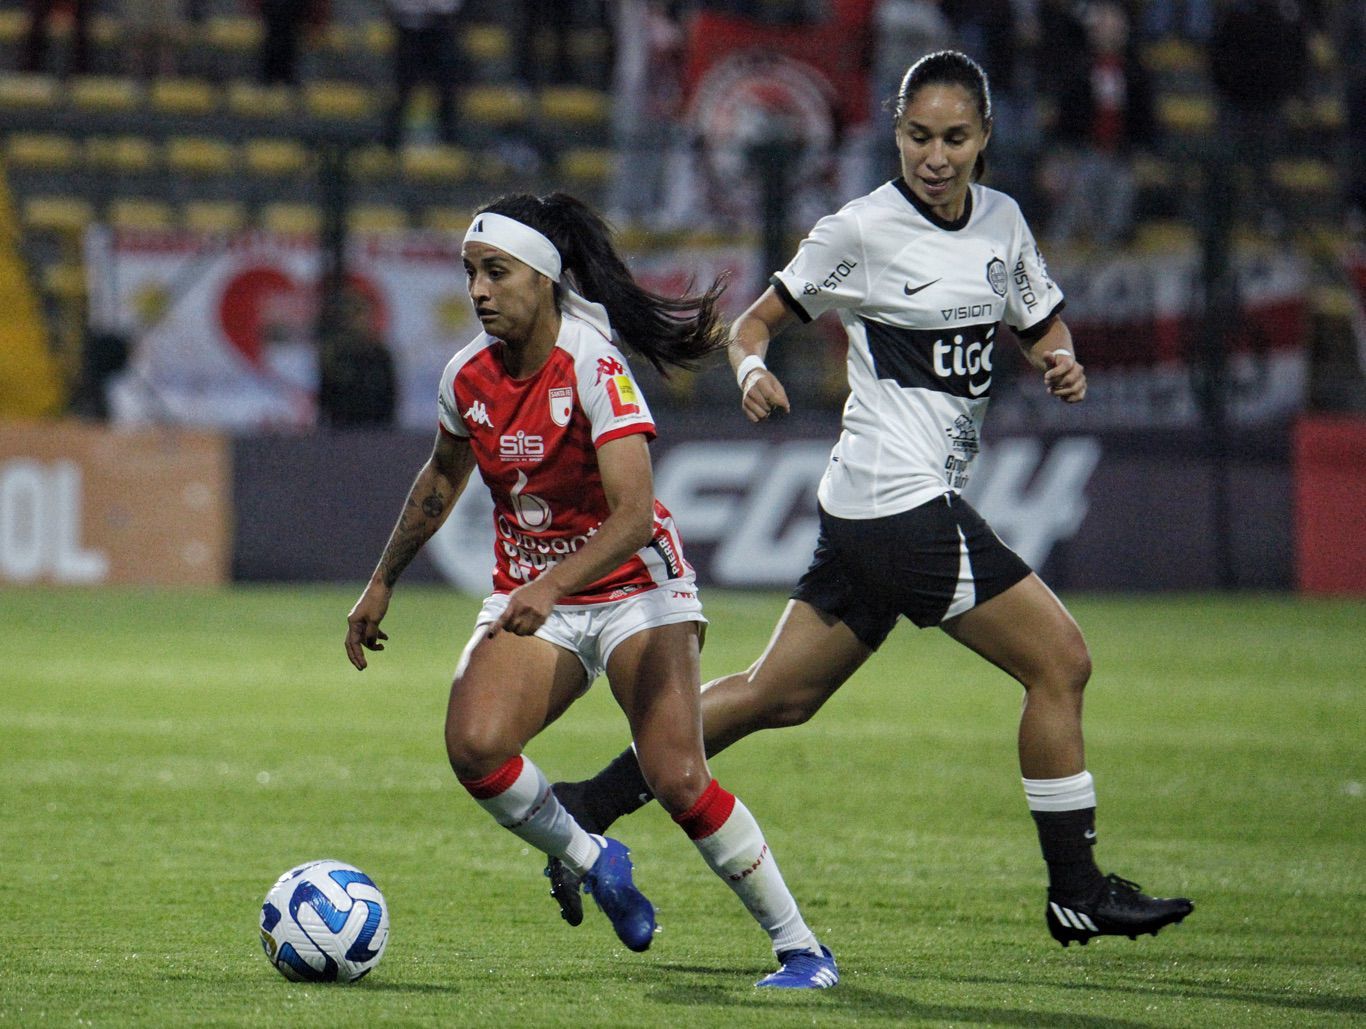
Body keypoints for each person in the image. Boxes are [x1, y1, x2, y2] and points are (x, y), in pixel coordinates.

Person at [543, 50, 1194, 949]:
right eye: (919, 136)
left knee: (777, 695)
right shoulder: (860, 229)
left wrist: (1059, 359)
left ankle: (585, 806)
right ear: (896, 133)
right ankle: (1077, 888)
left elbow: (1040, 321)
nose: (935, 155)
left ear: (984, 138)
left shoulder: (1002, 223)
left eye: (955, 138)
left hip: (872, 506)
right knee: (1061, 663)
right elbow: (759, 318)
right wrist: (750, 365)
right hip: (897, 500)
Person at [344, 192, 839, 988]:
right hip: (542, 591)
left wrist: (554, 580)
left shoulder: (591, 362)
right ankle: (594, 855)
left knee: (677, 775)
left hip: (635, 586)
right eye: (469, 272)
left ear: (541, 278)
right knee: (475, 746)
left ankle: (803, 947)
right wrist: (381, 581)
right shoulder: (464, 376)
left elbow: (636, 514)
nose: (477, 291)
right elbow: (441, 477)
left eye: (495, 272)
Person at [382, 0, 462, 149]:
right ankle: (391, 142)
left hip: (441, 27)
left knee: (447, 90)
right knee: (402, 91)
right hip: (407, 26)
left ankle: (451, 141)